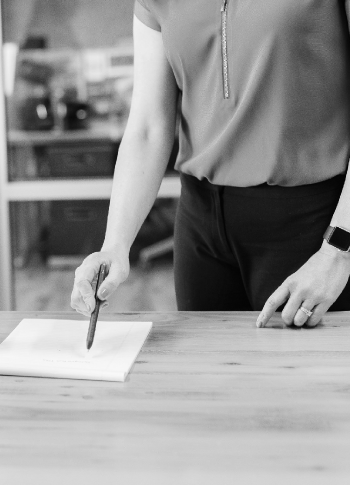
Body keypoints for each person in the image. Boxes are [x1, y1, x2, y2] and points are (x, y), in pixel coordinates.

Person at [71, 1, 350, 328]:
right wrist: (114, 246)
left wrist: (339, 250)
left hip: (314, 225)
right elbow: (148, 127)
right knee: (208, 375)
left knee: (307, 377)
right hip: (201, 229)